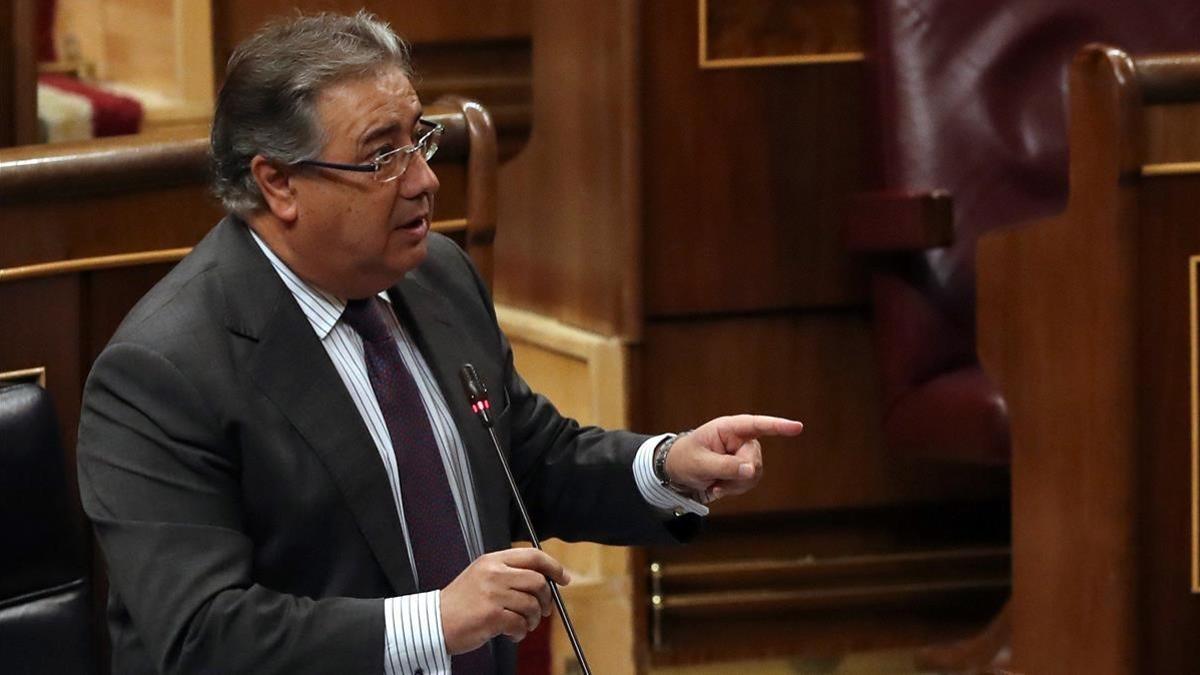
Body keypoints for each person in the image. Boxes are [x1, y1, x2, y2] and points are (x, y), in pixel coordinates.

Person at [76, 11, 803, 675]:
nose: (425, 179)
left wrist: (666, 466)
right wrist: (435, 621)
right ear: (278, 183)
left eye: (419, 140)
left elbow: (529, 456)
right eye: (381, 157)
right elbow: (202, 636)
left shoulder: (434, 276)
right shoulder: (162, 372)